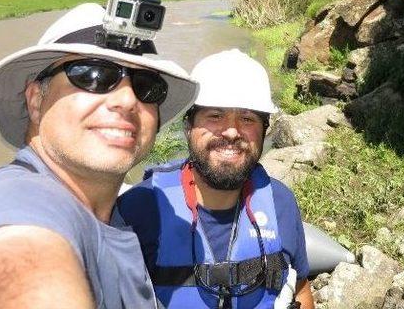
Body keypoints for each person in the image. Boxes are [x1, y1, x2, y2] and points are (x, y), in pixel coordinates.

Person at [0, 2, 198, 309]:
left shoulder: (109, 220)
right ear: (36, 100)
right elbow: (19, 267)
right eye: (92, 75)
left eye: (147, 86)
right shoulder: (16, 199)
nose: (128, 99)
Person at [117, 49, 315, 309]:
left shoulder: (280, 202)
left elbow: (300, 288)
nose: (232, 131)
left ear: (265, 131)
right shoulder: (139, 209)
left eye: (247, 118)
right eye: (215, 116)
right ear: (188, 126)